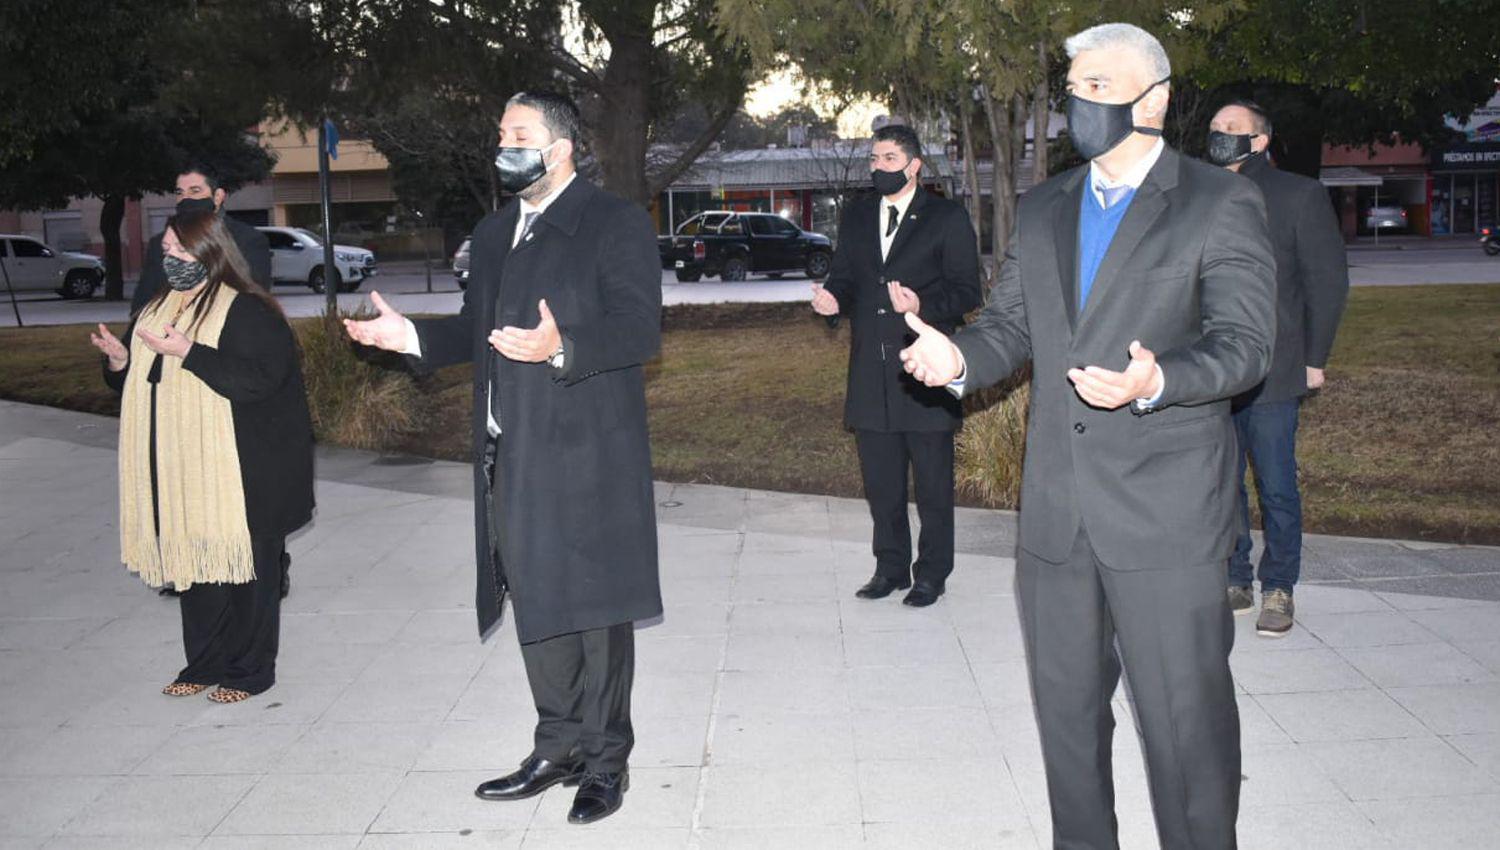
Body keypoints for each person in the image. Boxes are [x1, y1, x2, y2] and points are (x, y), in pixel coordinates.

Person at [898, 23, 1275, 849]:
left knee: (1187, 731)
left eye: (1103, 85)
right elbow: (1011, 327)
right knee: (1068, 727)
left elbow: (1247, 346)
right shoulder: (1045, 206)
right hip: (1057, 515)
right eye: (1076, 86)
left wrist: (1160, 379)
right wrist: (957, 356)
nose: (1083, 101)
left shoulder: (1221, 201)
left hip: (1167, 517)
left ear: (1158, 99)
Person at [341, 91, 661, 826]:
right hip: (510, 450)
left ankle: (605, 762)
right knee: (536, 596)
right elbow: (471, 329)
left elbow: (641, 330)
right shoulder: (492, 234)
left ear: (561, 147)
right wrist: (410, 341)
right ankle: (558, 746)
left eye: (520, 134)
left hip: (588, 452)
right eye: (501, 134)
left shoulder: (612, 223)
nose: (504, 145)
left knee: (594, 607)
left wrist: (562, 347)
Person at [92, 209, 314, 704]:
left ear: (210, 252)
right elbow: (139, 381)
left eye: (178, 249)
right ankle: (205, 662)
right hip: (182, 467)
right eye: (165, 250)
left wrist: (189, 351)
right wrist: (119, 360)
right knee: (196, 571)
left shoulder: (248, 310)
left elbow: (258, 381)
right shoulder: (158, 307)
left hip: (245, 471)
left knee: (248, 575)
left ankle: (249, 672)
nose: (169, 258)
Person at [811, 124, 982, 607]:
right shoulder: (858, 215)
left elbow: (968, 290)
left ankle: (931, 573)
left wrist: (921, 302)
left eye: (888, 159)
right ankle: (890, 568)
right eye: (873, 159)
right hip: (870, 372)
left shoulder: (946, 217)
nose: (877, 168)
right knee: (881, 484)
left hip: (924, 373)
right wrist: (832, 300)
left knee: (932, 486)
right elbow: (845, 275)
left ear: (914, 166)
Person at [1207, 100, 1350, 637]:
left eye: (1232, 129)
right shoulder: (1200, 194)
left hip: (1276, 368)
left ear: (1260, 141)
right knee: (1223, 483)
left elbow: (1327, 282)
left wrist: (1315, 358)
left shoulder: (1299, 195)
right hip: (1213, 370)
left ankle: (1281, 586)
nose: (1219, 134)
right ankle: (1236, 575)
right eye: (1215, 127)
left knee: (1275, 484)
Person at [132, 164, 286, 599]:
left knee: (247, 506)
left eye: (195, 189)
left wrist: (196, 345)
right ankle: (191, 563)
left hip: (224, 375)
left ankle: (264, 565)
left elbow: (253, 309)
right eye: (179, 190)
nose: (186, 197)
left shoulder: (247, 241)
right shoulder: (160, 243)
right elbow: (146, 301)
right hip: (175, 379)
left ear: (218, 196)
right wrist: (128, 352)